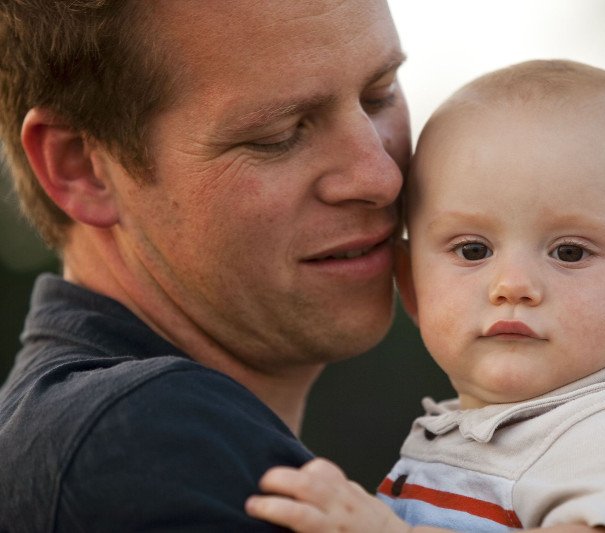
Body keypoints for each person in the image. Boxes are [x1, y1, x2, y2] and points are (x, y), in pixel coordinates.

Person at [244, 60, 605, 532]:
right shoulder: (472, 434)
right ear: (412, 286)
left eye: (570, 252)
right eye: (473, 249)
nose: (512, 284)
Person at [0, 0, 413, 530]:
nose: (381, 177)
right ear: (82, 168)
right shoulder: (138, 447)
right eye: (278, 135)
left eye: (379, 95)